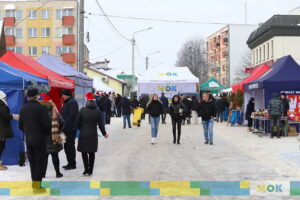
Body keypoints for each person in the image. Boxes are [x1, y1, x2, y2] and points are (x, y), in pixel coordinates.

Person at [19, 88, 51, 191]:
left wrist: (28, 132)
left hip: (29, 139)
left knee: (32, 162)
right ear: (37, 96)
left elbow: (20, 126)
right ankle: (37, 186)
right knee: (39, 162)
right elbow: (47, 125)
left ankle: (34, 184)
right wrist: (46, 134)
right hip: (40, 139)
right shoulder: (41, 109)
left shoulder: (23, 109)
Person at [77, 92, 109, 176]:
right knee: (91, 153)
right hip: (93, 134)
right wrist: (104, 133)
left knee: (84, 152)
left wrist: (81, 128)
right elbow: (101, 124)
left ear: (87, 101)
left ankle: (85, 169)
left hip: (83, 133)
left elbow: (77, 122)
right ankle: (90, 170)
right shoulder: (98, 111)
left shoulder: (82, 110)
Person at [39, 93, 64, 178]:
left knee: (44, 157)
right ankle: (58, 173)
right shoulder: (54, 110)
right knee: (55, 155)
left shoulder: (38, 112)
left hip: (42, 138)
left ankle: (42, 174)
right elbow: (62, 123)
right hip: (54, 137)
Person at [60, 89, 79, 170]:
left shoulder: (72, 102)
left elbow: (72, 116)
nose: (62, 96)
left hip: (70, 129)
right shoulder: (69, 102)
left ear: (66, 95)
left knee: (70, 146)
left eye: (63, 95)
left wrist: (64, 123)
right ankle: (70, 162)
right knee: (67, 146)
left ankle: (72, 164)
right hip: (67, 128)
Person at [0, 91, 18, 170]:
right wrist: (14, 116)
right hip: (1, 130)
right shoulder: (1, 104)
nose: (6, 98)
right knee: (1, 146)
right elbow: (6, 116)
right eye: (5, 96)